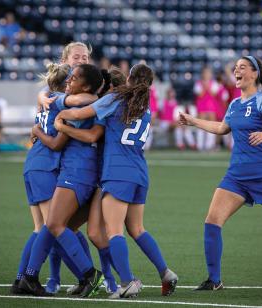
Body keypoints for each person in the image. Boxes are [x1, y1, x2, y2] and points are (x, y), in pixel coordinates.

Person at [179, 55, 262, 290]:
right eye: (236, 68)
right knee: (212, 221)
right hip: (236, 176)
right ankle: (214, 281)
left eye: (242, 67)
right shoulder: (235, 104)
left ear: (254, 74)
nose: (237, 71)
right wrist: (193, 121)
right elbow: (221, 128)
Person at [56, 63, 178, 299]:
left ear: (129, 78)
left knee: (114, 231)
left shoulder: (116, 99)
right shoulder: (145, 105)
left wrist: (60, 116)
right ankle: (166, 273)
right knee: (137, 229)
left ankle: (127, 282)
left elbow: (82, 113)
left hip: (117, 171)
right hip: (139, 172)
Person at [19, 64, 105, 297]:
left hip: (78, 172)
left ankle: (90, 275)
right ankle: (29, 276)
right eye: (68, 77)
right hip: (79, 172)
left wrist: (43, 128)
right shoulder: (90, 101)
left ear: (86, 85)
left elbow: (65, 136)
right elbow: (57, 97)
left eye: (74, 78)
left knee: (53, 225)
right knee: (55, 226)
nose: (69, 81)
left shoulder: (87, 103)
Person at [193, 66, 219, 151]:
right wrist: (205, 87)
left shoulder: (214, 83)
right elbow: (200, 94)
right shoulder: (198, 83)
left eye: (208, 73)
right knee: (201, 125)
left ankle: (209, 145)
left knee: (211, 125)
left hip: (211, 106)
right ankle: (200, 145)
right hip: (202, 106)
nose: (207, 75)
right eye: (205, 73)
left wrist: (207, 86)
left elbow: (214, 94)